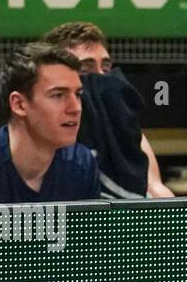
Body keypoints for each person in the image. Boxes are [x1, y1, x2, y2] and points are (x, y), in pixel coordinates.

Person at [42, 21, 173, 198]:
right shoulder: (42, 135)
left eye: (105, 68)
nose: (102, 78)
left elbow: (155, 189)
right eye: (86, 69)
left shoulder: (126, 132)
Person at [0, 43, 99, 204]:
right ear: (19, 104)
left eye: (78, 94)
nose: (76, 108)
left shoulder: (81, 165)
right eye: (58, 95)